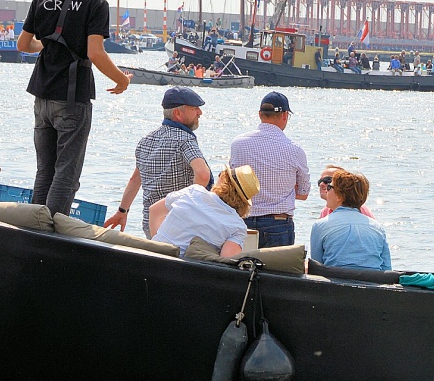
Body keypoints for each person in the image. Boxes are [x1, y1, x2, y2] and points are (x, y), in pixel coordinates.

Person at [17, 0, 130, 215]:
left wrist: (46, 45)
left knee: (45, 170)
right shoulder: (96, 3)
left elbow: (23, 45)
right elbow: (95, 52)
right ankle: (51, 233)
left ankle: (35, 226)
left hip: (42, 93)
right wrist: (122, 80)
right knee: (66, 174)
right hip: (71, 96)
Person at [105, 87, 211, 235]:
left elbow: (135, 179)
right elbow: (203, 174)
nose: (200, 112)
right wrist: (189, 207)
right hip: (180, 224)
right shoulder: (185, 139)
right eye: (195, 108)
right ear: (178, 113)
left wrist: (122, 211)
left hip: (151, 225)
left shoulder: (146, 140)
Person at [228, 91, 311, 248]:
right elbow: (304, 193)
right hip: (278, 224)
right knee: (277, 272)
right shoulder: (295, 150)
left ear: (260, 114)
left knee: (240, 270)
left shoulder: (238, 144)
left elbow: (232, 183)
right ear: (285, 115)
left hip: (244, 222)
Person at [148, 165, 259, 258]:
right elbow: (225, 262)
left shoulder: (193, 191)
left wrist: (159, 244)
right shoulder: (237, 227)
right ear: (244, 202)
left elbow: (154, 211)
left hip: (153, 259)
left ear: (223, 180)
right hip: (184, 275)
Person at [306, 168, 391, 272]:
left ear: (339, 196)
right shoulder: (378, 228)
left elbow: (317, 268)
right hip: (372, 284)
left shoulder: (319, 226)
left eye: (329, 187)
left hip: (335, 285)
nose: (326, 190)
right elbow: (387, 269)